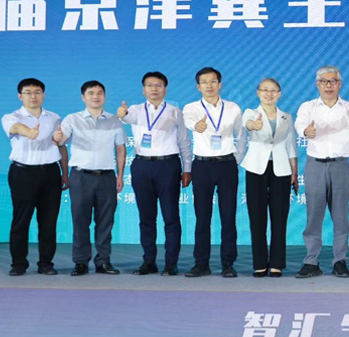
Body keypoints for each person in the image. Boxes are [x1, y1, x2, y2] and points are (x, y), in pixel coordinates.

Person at [117, 72, 192, 275]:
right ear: (143, 90)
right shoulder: (135, 110)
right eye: (149, 85)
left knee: (171, 216)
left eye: (158, 85)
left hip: (168, 165)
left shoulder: (175, 112)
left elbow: (184, 141)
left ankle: (171, 262)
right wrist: (122, 114)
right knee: (146, 217)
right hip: (142, 166)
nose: (154, 89)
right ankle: (148, 261)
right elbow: (126, 118)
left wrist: (187, 168)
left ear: (165, 89)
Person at [294, 66, 349, 279]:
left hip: (340, 166)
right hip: (315, 165)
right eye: (324, 81)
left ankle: (340, 261)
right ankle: (311, 261)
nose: (329, 85)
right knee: (313, 216)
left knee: (341, 217)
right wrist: (306, 131)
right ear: (318, 84)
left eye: (333, 81)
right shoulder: (308, 107)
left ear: (339, 84)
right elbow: (299, 124)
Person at [54, 81, 126, 276]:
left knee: (106, 222)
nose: (96, 96)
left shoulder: (114, 120)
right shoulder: (73, 119)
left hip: (106, 177)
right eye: (91, 93)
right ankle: (80, 262)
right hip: (80, 176)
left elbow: (120, 149)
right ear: (83, 97)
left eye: (99, 93)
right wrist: (57, 137)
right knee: (80, 220)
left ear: (105, 96)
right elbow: (61, 141)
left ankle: (103, 261)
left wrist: (120, 175)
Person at [182, 67, 246, 278]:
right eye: (204, 82)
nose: (209, 85)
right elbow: (189, 121)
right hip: (202, 166)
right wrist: (197, 126)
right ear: (198, 86)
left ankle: (228, 263)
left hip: (227, 165)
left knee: (228, 216)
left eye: (213, 81)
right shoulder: (191, 108)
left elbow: (241, 135)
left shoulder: (233, 108)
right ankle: (201, 263)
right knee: (202, 217)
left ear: (220, 84)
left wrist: (235, 160)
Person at [2, 78, 68, 275]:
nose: (33, 96)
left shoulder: (54, 118)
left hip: (50, 173)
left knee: (49, 221)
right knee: (21, 220)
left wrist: (65, 173)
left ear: (44, 95)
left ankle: (46, 263)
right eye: (28, 92)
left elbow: (61, 146)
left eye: (37, 92)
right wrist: (29, 132)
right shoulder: (11, 117)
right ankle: (18, 264)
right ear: (20, 96)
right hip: (23, 173)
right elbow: (15, 128)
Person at [241, 78, 298, 278]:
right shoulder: (250, 113)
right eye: (265, 90)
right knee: (257, 216)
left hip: (281, 169)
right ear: (258, 93)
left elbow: (290, 144)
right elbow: (247, 124)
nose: (269, 94)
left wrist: (294, 171)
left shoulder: (286, 117)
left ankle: (276, 263)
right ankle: (259, 263)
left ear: (279, 94)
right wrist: (253, 125)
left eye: (273, 90)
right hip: (256, 168)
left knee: (279, 216)